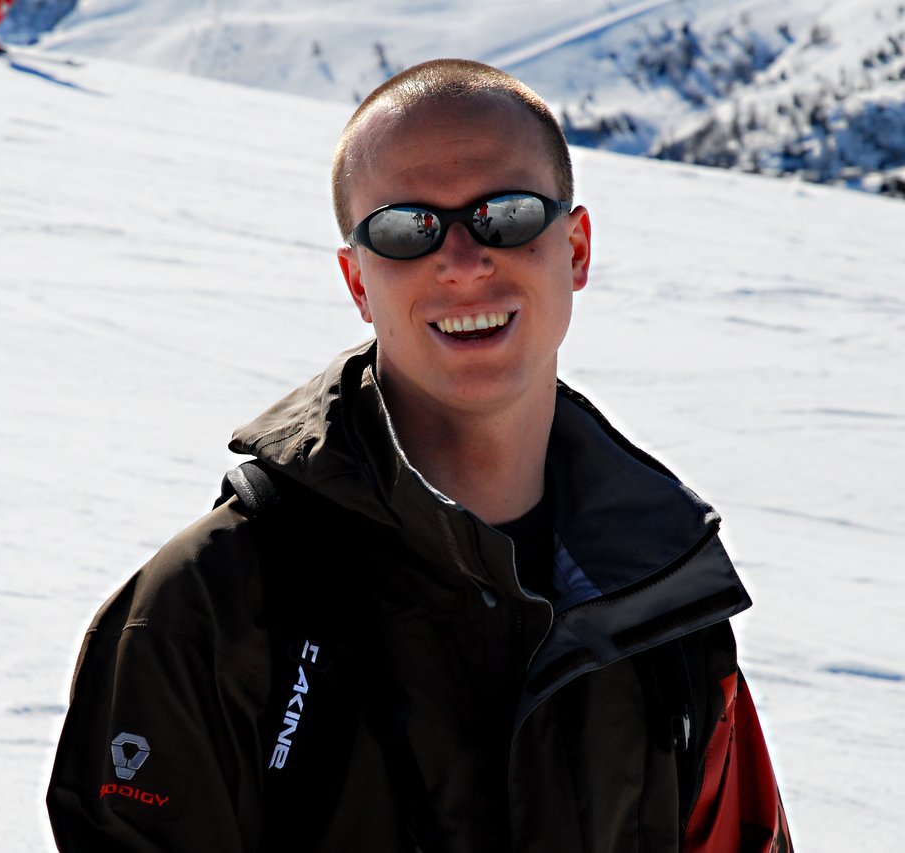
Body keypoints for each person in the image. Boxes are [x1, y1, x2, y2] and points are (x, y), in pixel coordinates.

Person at [46, 59, 792, 852]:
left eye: (505, 214)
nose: (464, 261)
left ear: (574, 247)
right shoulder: (213, 611)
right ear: (358, 281)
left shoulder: (663, 602)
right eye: (407, 228)